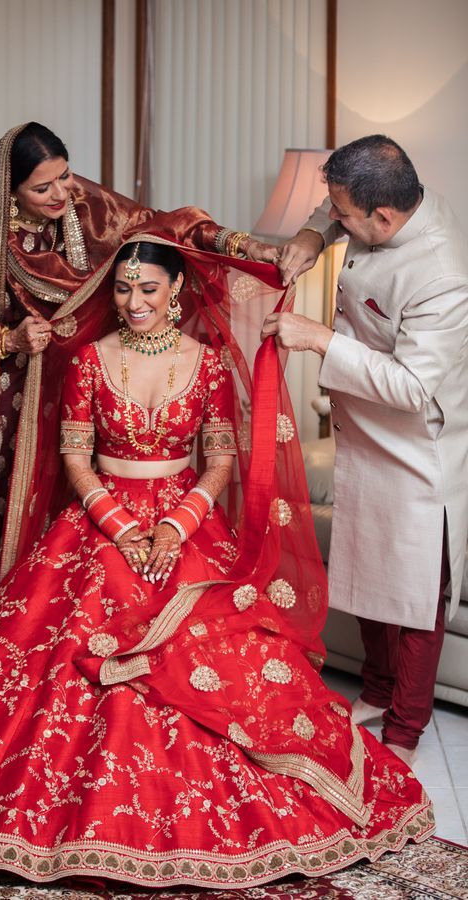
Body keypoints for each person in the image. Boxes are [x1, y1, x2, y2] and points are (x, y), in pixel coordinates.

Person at [0, 240, 433, 890]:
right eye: (122, 290)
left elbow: (219, 460)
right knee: (58, 647)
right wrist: (123, 525)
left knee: (229, 665)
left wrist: (173, 525)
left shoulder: (210, 364)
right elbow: (76, 458)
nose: (133, 303)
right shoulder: (87, 360)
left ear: (177, 294)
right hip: (101, 520)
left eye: (148, 290)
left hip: (185, 523)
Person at [0, 122, 279, 662]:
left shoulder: (85, 207)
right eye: (42, 188)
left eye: (65, 176)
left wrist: (241, 244)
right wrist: (7, 338)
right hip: (12, 402)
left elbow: (164, 229)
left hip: (94, 381)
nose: (61, 194)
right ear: (11, 192)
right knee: (10, 522)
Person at [262, 135, 468, 767]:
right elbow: (337, 215)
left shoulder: (442, 275)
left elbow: (409, 387)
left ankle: (405, 727)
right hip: (364, 433)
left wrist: (320, 339)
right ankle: (376, 692)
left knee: (411, 594)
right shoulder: (388, 206)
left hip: (415, 445)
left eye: (344, 215)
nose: (337, 218)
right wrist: (313, 234)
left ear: (383, 217)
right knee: (374, 577)